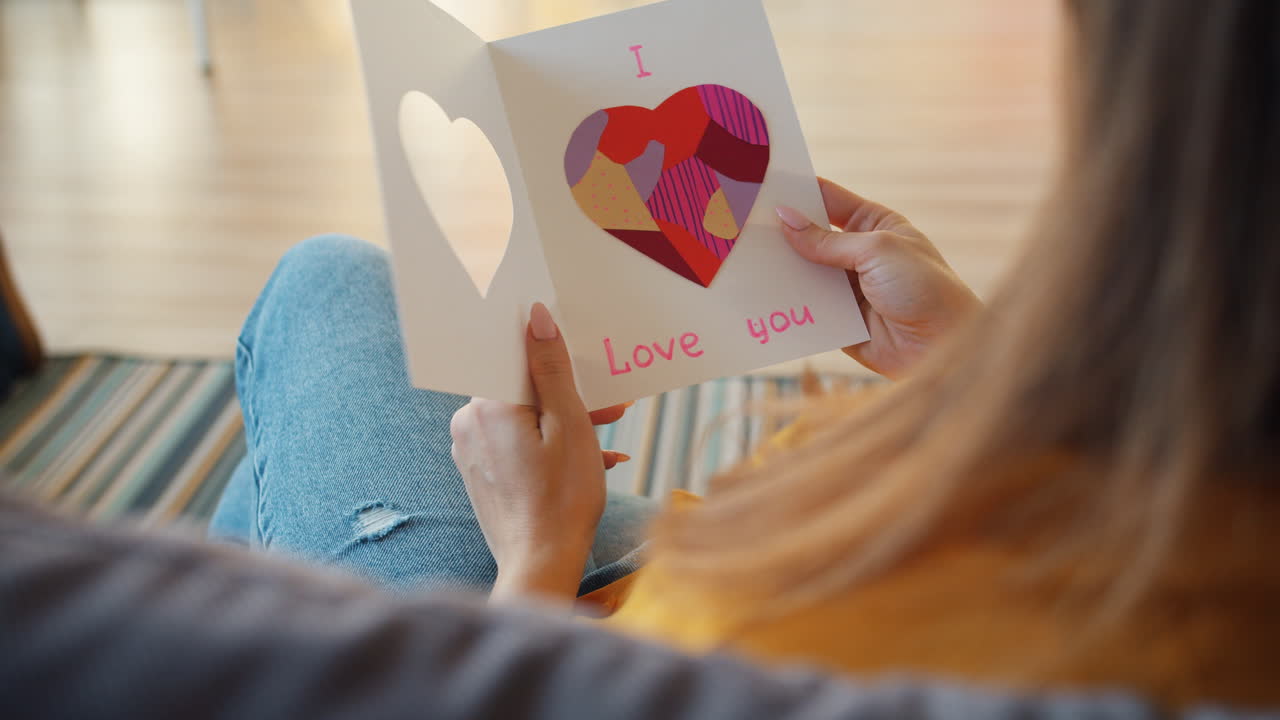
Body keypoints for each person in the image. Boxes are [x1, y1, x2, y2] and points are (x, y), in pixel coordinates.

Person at [203, 0, 1279, 713]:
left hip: (587, 650)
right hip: (669, 591)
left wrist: (534, 560)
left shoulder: (791, 615)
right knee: (301, 455)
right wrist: (968, 368)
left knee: (325, 288)